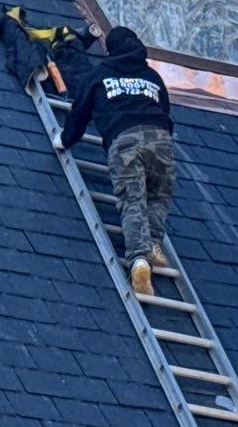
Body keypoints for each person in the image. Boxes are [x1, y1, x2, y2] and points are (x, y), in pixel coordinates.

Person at [57, 27, 174, 296]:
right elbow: (165, 110)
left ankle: (139, 259)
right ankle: (153, 242)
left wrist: (66, 139)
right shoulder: (152, 76)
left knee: (132, 198)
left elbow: (80, 112)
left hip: (124, 139)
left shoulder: (101, 74)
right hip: (160, 138)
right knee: (158, 194)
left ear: (110, 50)